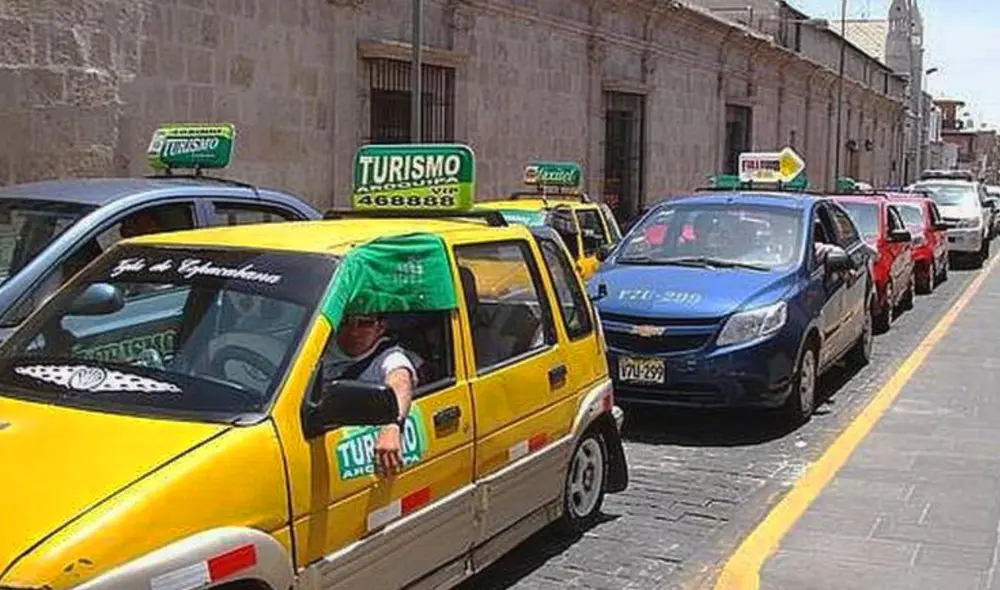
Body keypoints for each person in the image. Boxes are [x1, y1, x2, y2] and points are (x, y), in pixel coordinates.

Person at [322, 313, 420, 476]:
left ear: (381, 328)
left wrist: (393, 424)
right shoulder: (319, 346)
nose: (353, 332)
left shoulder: (389, 357)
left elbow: (400, 379)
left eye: (365, 323)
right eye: (345, 322)